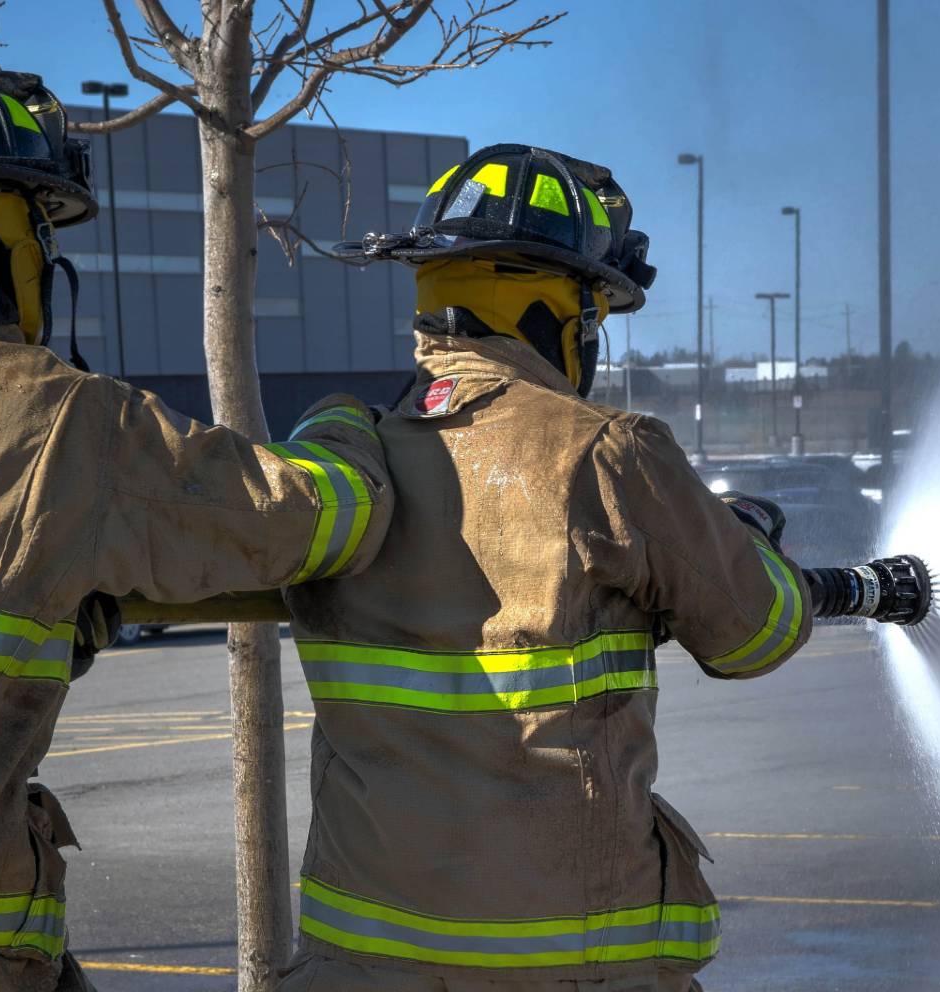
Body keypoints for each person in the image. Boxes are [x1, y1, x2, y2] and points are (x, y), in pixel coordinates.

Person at [0, 64, 392, 991]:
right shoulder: (70, 423)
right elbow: (313, 521)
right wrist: (346, 424)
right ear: (23, 246)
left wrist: (33, 624)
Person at [278, 144, 813, 992]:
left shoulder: (348, 459)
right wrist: (745, 543)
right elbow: (759, 633)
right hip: (571, 964)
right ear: (563, 317)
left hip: (359, 963)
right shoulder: (605, 454)